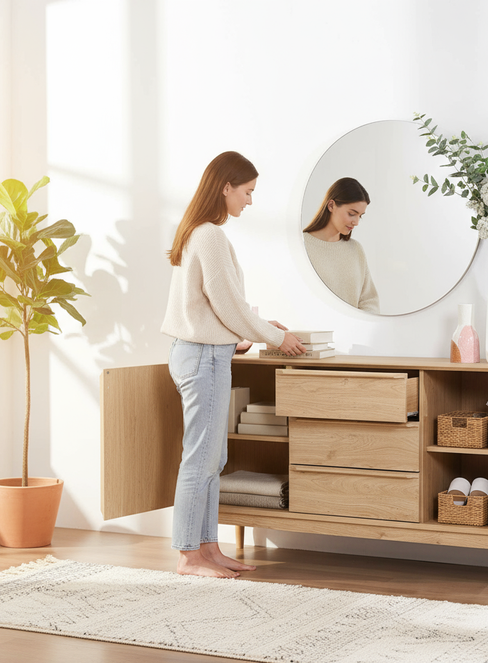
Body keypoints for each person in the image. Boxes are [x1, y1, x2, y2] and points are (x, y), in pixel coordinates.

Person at [161, 151, 305, 578]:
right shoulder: (209, 236)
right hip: (203, 358)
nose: (250, 201)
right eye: (247, 191)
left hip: (206, 352)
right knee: (201, 458)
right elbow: (227, 304)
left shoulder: (200, 234)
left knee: (211, 457)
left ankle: (208, 548)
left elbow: (212, 307)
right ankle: (189, 556)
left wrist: (244, 334)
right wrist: (276, 337)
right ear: (226, 187)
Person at [302, 177, 380, 313]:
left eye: (360, 216)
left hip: (353, 332)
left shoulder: (356, 250)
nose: (356, 222)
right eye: (351, 214)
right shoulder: (302, 245)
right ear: (331, 205)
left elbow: (369, 300)